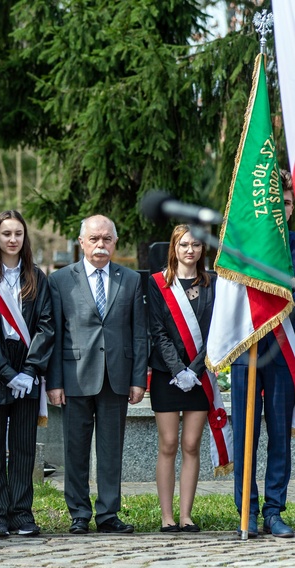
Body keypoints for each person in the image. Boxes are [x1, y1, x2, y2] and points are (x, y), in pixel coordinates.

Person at [46, 214, 147, 535]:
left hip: (116, 377)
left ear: (115, 243)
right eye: (94, 239)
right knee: (75, 450)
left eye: (106, 239)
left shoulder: (130, 279)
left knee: (110, 449)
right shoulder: (60, 280)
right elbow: (54, 333)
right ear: (82, 243)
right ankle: (78, 513)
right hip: (74, 376)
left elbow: (139, 333)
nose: (100, 245)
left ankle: (108, 514)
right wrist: (55, 381)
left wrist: (138, 378)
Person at [0, 211, 54, 538]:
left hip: (28, 364)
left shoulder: (37, 277)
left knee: (24, 445)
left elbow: (47, 325)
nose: (12, 239)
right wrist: (6, 372)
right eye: (6, 233)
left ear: (24, 237)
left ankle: (21, 513)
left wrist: (31, 370)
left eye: (18, 233)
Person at [230, 170, 295, 538]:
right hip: (247, 348)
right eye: (274, 203)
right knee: (246, 435)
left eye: (286, 204)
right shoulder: (242, 246)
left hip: (285, 352)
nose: (280, 209)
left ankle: (274, 510)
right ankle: (247, 512)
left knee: (280, 437)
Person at [148, 225, 216, 533]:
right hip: (168, 375)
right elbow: (158, 331)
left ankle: (186, 515)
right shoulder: (158, 283)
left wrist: (196, 370)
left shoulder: (211, 284)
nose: (190, 250)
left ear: (203, 250)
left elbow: (216, 332)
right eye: (184, 244)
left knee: (191, 444)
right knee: (169, 443)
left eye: (196, 245)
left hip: (199, 376)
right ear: (174, 247)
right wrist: (179, 370)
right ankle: (167, 517)